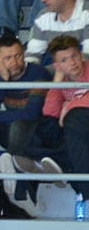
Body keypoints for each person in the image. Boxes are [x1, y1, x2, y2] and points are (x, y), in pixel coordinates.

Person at [0, 36, 52, 207]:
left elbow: (32, 113)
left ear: (24, 54)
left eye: (18, 56)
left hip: (37, 132)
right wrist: (3, 80)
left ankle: (16, 173)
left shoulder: (38, 73)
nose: (14, 62)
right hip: (14, 133)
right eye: (8, 58)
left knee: (18, 122)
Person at [42, 35, 89, 215]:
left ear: (81, 55)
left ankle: (83, 192)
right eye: (64, 60)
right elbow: (50, 112)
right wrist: (57, 82)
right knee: (44, 126)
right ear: (57, 65)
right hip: (75, 132)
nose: (72, 62)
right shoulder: (62, 80)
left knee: (74, 118)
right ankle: (59, 164)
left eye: (74, 56)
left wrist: (69, 105)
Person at [25, 0, 89, 65]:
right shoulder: (43, 16)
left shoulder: (87, 14)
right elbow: (33, 56)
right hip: (53, 74)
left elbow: (87, 59)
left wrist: (58, 74)